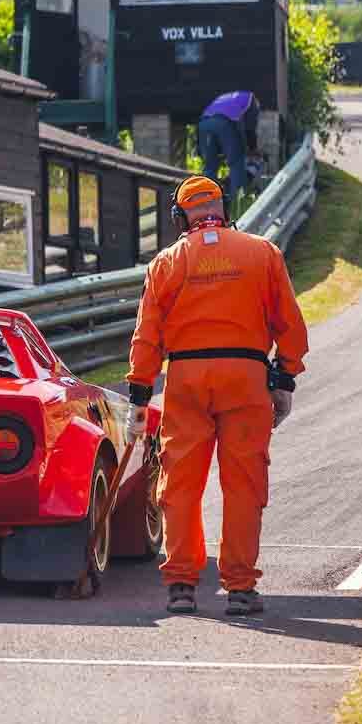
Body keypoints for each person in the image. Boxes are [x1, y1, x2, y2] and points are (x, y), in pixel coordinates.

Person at [124, 174, 308, 617]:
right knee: (244, 484)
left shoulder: (167, 262)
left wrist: (138, 393)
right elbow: (290, 325)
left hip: (186, 378)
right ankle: (241, 589)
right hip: (245, 377)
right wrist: (284, 380)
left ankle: (182, 586)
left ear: (178, 216)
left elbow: (147, 335)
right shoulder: (263, 253)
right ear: (224, 210)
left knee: (180, 484)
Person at [197, 90, 260, 200]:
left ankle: (207, 200)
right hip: (224, 123)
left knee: (209, 166)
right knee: (236, 162)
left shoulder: (227, 97)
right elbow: (249, 128)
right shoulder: (252, 100)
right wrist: (253, 148)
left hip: (204, 123)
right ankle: (237, 200)